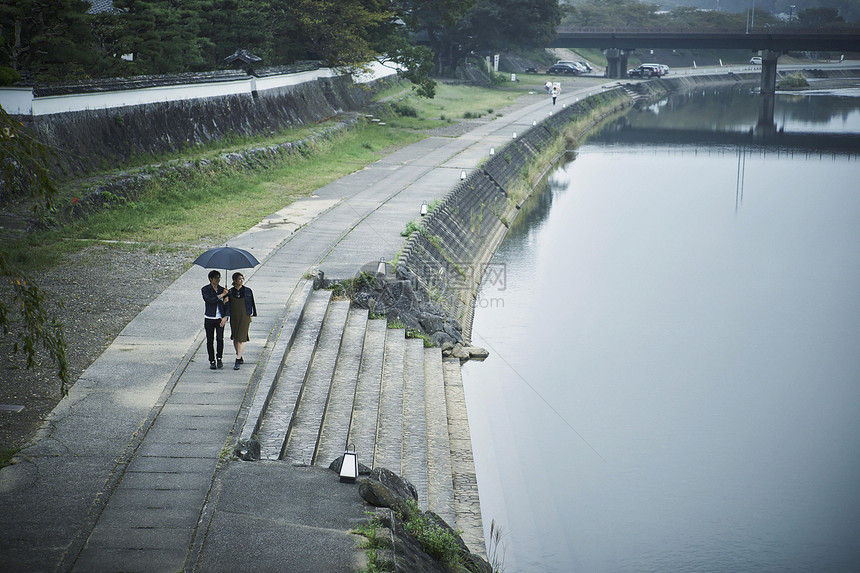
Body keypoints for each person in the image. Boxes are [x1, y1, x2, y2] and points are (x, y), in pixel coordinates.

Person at [228, 272, 257, 370]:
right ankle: (239, 354)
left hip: (245, 316)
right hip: (234, 316)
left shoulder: (248, 291)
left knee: (241, 338)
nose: (241, 281)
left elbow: (251, 303)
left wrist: (251, 314)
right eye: (239, 279)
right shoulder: (230, 292)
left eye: (242, 279)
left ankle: (237, 359)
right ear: (234, 280)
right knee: (235, 337)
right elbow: (227, 306)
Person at [201, 270, 229, 369]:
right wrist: (221, 295)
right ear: (210, 279)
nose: (218, 280)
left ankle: (219, 357)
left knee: (220, 338)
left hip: (219, 318)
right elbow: (210, 300)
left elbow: (227, 306)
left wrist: (225, 317)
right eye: (216, 278)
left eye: (219, 277)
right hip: (209, 317)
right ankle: (212, 360)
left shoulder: (223, 289)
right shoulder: (205, 289)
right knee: (210, 340)